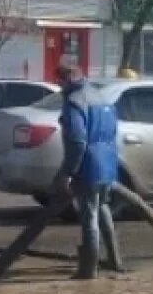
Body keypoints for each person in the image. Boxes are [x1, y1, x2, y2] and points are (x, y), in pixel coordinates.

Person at [52, 62, 126, 279]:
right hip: (107, 164)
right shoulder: (102, 98)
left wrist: (67, 172)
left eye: (59, 81)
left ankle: (88, 270)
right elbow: (112, 131)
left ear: (67, 80)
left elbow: (77, 141)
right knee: (102, 208)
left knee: (89, 216)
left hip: (88, 167)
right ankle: (115, 260)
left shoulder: (75, 102)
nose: (58, 86)